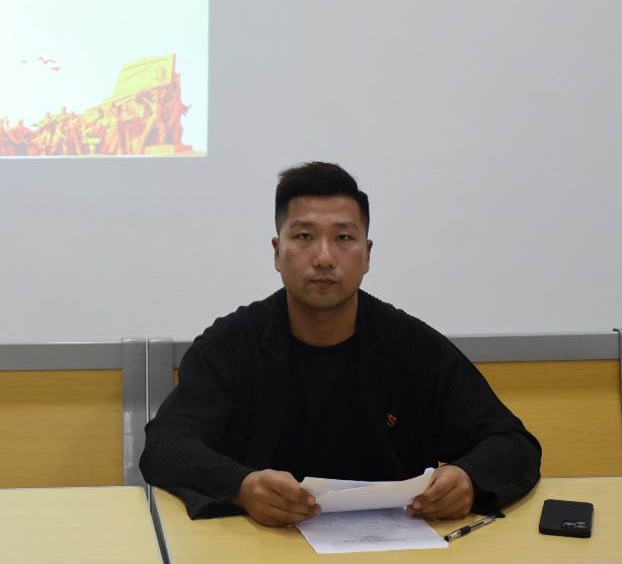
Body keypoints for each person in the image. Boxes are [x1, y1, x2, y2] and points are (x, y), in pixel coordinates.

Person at [139, 162, 541, 526]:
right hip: (267, 545)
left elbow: (512, 444)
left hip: (398, 547)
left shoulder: (413, 346)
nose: (324, 258)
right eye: (304, 236)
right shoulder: (232, 344)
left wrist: (469, 479)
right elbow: (166, 444)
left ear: (367, 255)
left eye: (344, 238)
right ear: (277, 253)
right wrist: (241, 486)